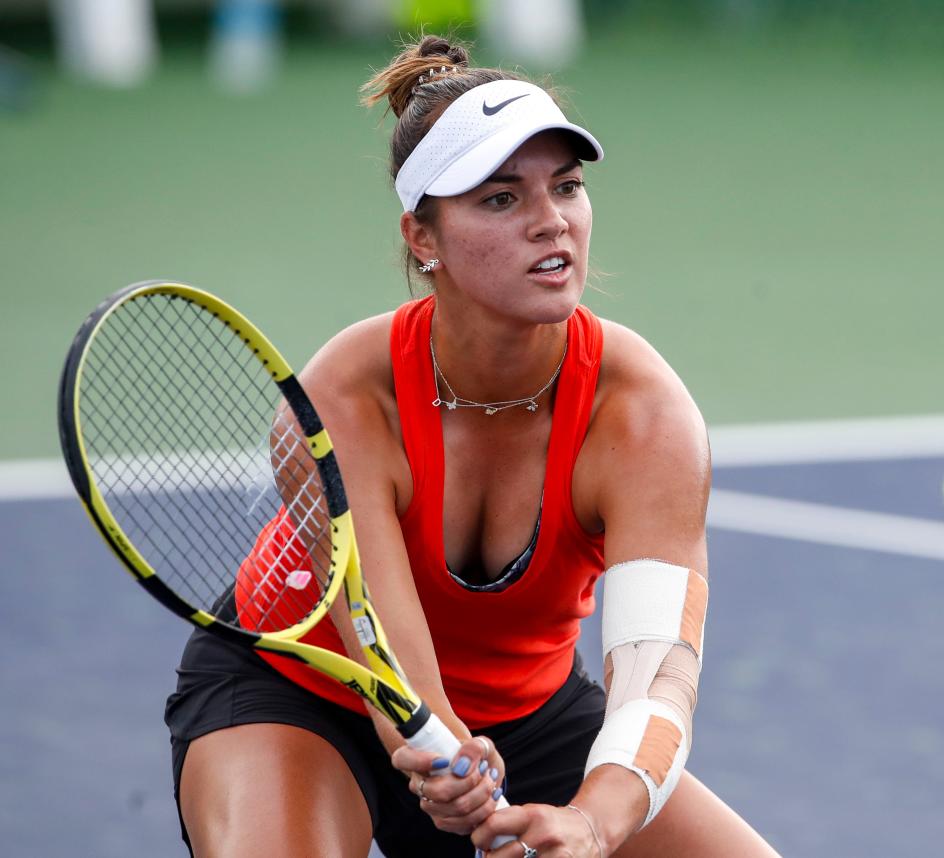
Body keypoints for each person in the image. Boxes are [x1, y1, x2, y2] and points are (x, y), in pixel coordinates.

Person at [165, 35, 779, 858]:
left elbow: (656, 676)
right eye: (500, 199)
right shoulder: (345, 401)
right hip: (300, 692)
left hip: (527, 715)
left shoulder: (644, 416)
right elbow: (383, 646)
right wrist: (438, 749)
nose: (551, 219)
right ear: (424, 238)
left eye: (567, 186)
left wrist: (594, 817)